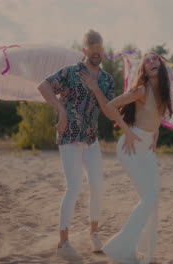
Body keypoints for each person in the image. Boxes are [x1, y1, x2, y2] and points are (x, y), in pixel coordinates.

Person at [38, 29, 115, 252]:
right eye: (92, 49)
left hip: (91, 139)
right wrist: (60, 109)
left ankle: (94, 232)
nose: (96, 53)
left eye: (100, 49)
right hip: (69, 135)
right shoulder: (70, 72)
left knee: (97, 185)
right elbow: (43, 87)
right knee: (74, 187)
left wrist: (95, 88)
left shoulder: (107, 80)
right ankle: (63, 240)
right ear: (85, 50)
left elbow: (109, 111)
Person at [101, 52, 173, 264]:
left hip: (147, 150)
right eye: (147, 60)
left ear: (160, 64)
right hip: (129, 148)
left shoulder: (164, 92)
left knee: (153, 200)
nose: (152, 61)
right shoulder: (142, 89)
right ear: (144, 68)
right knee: (148, 199)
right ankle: (119, 248)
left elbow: (156, 117)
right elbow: (110, 106)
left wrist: (156, 135)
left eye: (155, 58)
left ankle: (144, 254)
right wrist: (127, 131)